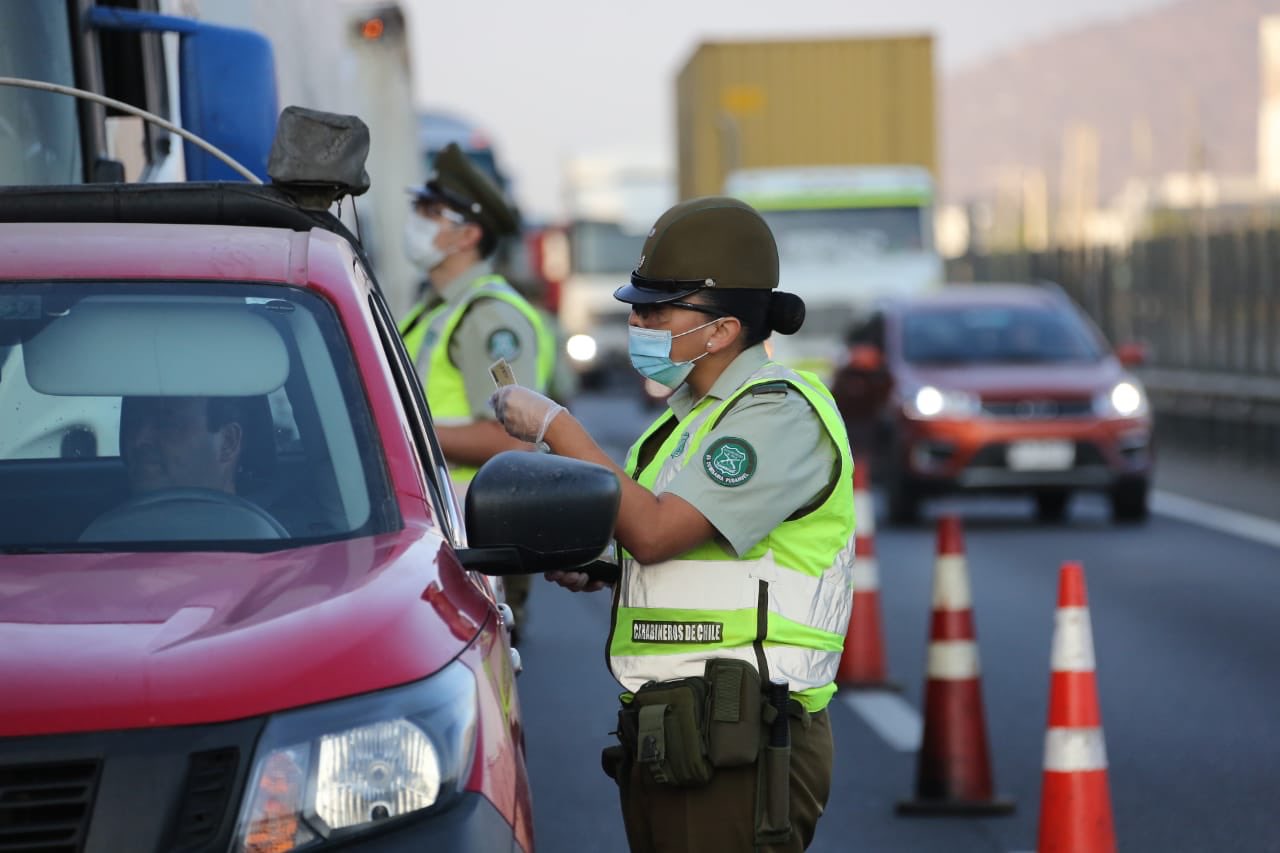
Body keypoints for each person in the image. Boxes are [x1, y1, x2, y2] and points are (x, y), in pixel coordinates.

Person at [490, 196, 856, 852]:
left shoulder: (777, 414)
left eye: (658, 309)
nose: (639, 321)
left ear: (721, 330)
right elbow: (667, 547)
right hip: (678, 730)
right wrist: (606, 563)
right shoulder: (685, 422)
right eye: (638, 307)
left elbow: (657, 529)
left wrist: (554, 425)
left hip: (743, 731)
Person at [399, 142, 556, 645]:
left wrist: (395, 434)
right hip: (440, 531)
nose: (417, 221)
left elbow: (514, 441)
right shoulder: (431, 310)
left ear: (467, 234)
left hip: (476, 537)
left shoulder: (489, 318)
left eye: (430, 211)